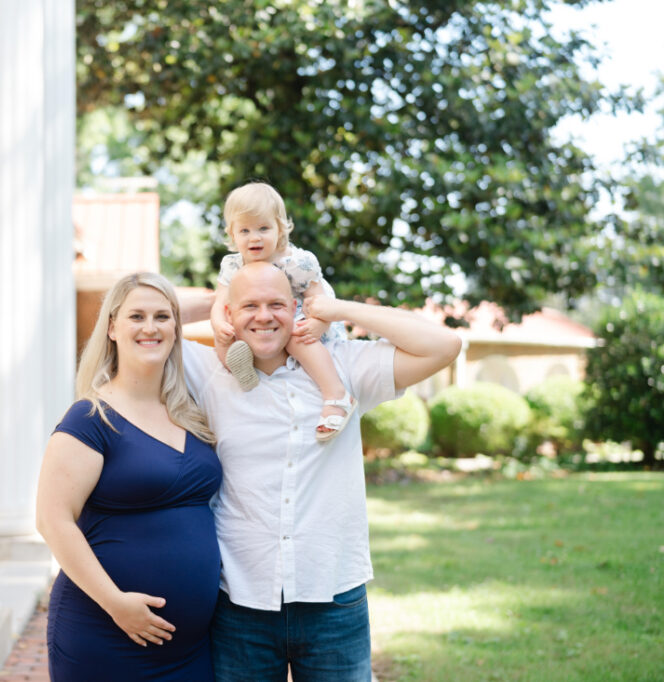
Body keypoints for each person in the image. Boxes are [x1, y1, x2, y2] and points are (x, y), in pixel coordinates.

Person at [182, 262, 462, 681]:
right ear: (230, 315)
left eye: (276, 304)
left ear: (295, 308)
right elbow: (132, 311)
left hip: (334, 597)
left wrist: (335, 308)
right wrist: (214, 302)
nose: (263, 316)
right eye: (249, 306)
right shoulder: (207, 370)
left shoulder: (342, 366)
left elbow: (444, 345)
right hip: (241, 603)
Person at [35, 272, 222, 681]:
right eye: (136, 316)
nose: (151, 327)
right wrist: (115, 602)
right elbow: (53, 520)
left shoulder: (190, 413)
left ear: (177, 326)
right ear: (112, 328)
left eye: (162, 316)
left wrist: (231, 299)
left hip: (191, 648)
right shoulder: (90, 417)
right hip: (105, 632)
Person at [210, 181, 355, 441]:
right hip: (262, 323)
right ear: (232, 234)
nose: (254, 237)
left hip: (300, 318)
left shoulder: (297, 262)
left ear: (281, 228)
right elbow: (220, 303)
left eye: (263, 228)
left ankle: (336, 394)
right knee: (226, 340)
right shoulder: (233, 264)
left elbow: (319, 301)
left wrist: (318, 324)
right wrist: (220, 324)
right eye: (244, 230)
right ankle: (245, 373)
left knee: (297, 338)